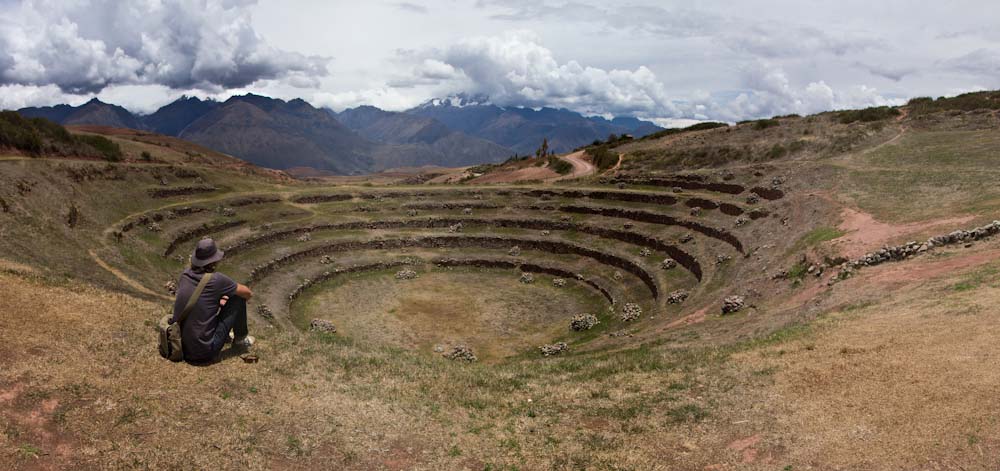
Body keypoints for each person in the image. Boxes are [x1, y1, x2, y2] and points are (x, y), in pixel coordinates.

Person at [170, 238, 254, 364]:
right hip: (205, 352)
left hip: (180, 345)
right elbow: (247, 293)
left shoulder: (185, 275)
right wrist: (233, 304)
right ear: (214, 260)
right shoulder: (217, 280)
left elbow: (201, 298)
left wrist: (219, 299)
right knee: (238, 299)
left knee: (227, 300)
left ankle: (225, 337)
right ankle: (240, 340)